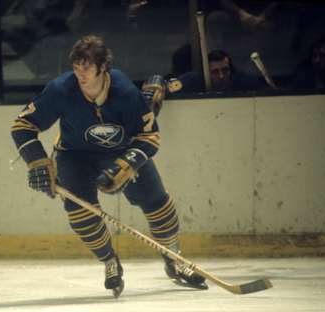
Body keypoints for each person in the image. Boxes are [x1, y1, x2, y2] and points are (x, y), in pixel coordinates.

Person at [11, 35, 208, 297]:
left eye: (87, 67)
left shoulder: (125, 91)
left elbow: (149, 137)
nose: (80, 73)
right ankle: (110, 262)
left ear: (103, 67)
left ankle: (174, 258)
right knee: (81, 215)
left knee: (158, 204)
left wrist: (127, 164)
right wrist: (36, 161)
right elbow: (23, 126)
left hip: (121, 150)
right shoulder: (60, 89)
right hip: (74, 156)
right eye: (76, 66)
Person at [176, 49, 264, 93]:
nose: (221, 76)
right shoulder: (192, 81)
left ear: (231, 70)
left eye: (225, 70)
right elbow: (169, 88)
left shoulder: (244, 82)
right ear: (206, 73)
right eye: (215, 72)